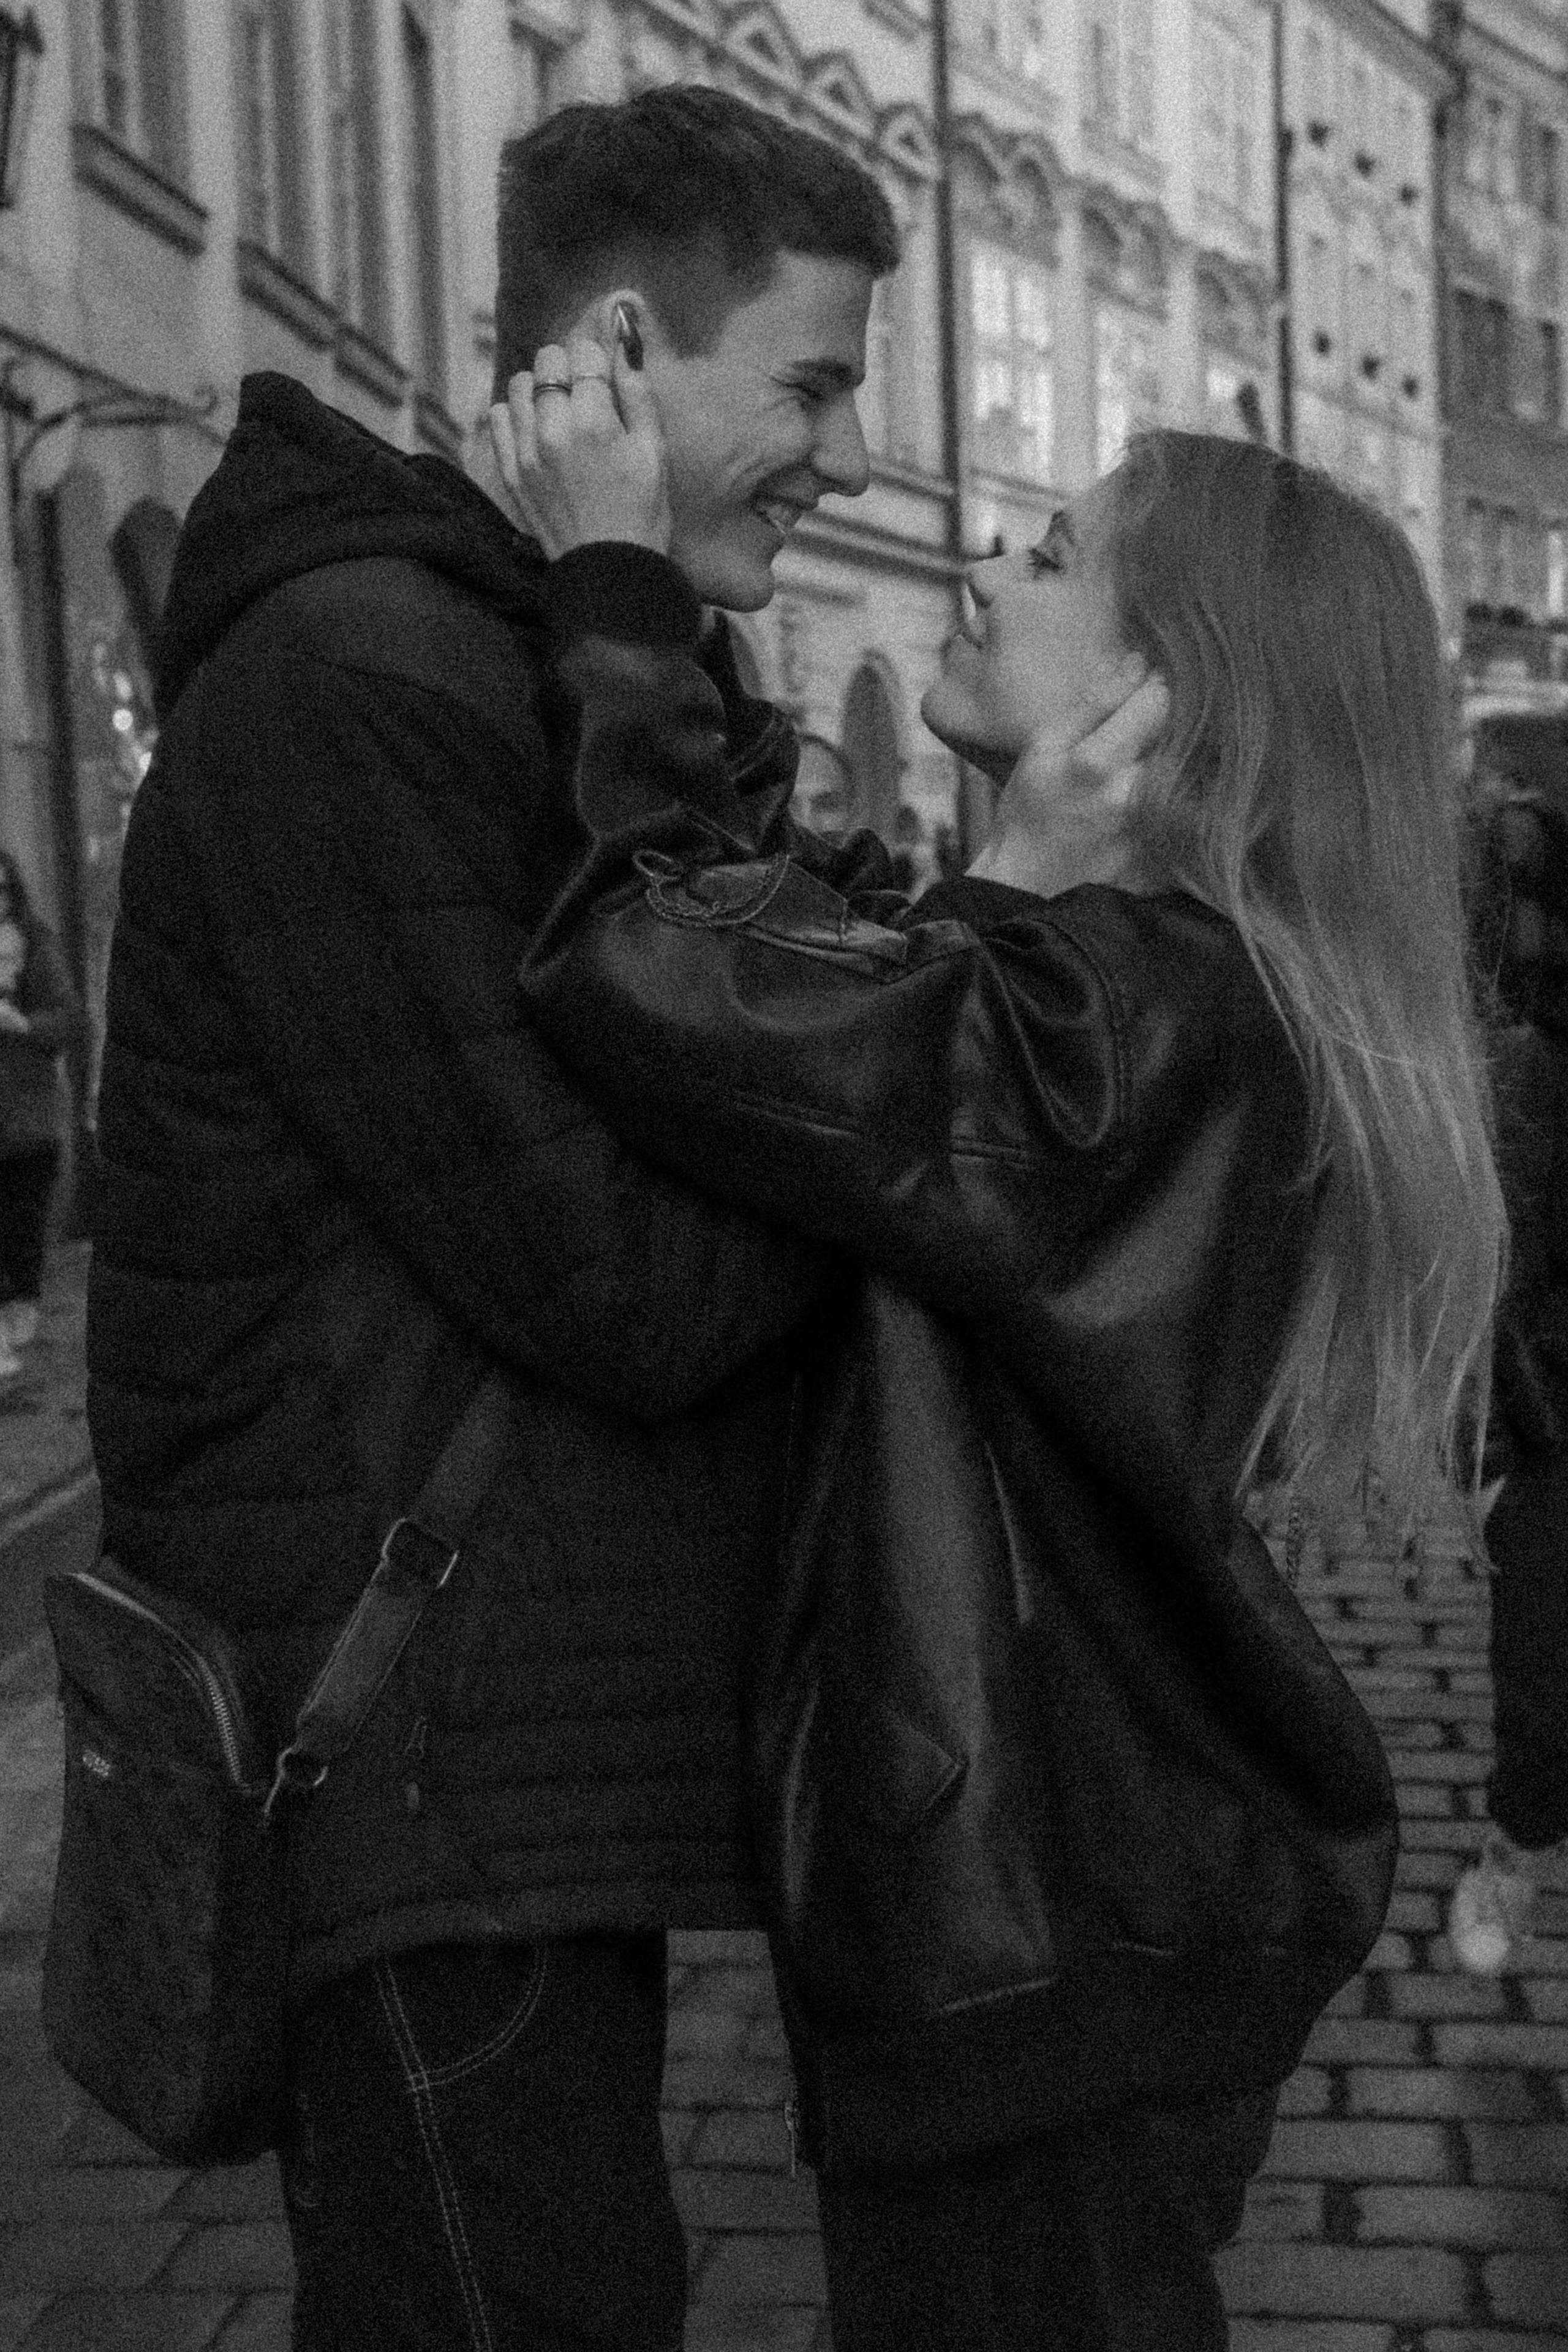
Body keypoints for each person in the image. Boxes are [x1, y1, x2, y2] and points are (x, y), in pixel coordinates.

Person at [494, 398, 1507, 2344]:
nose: (980, 557)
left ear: (1160, 688)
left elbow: (652, 975)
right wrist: (1018, 868)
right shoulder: (1150, 984)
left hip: (1045, 1915)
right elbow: (860, 1049)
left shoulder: (1122, 1004)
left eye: (1049, 556)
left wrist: (614, 597)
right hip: (1079, 1904)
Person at [85, 85, 900, 2350]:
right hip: (419, 1760)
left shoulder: (479, 656)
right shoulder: (366, 681)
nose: (844, 448)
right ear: (626, 363)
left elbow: (696, 1014)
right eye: (811, 384)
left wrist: (620, 610)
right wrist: (884, 1152)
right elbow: (626, 1282)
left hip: (503, 1743)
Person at [1450, 774, 1568, 1973]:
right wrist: (1486, 1459)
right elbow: (1490, 1275)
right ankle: (1508, 1853)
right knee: (1540, 1688)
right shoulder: (1531, 1062)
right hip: (1552, 1428)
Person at [0, 848, 81, 1384]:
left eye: (3, 890)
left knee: (21, 1223)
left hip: (22, 1112)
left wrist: (22, 1024)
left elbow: (67, 1018)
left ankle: (18, 1312)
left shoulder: (32, 944)